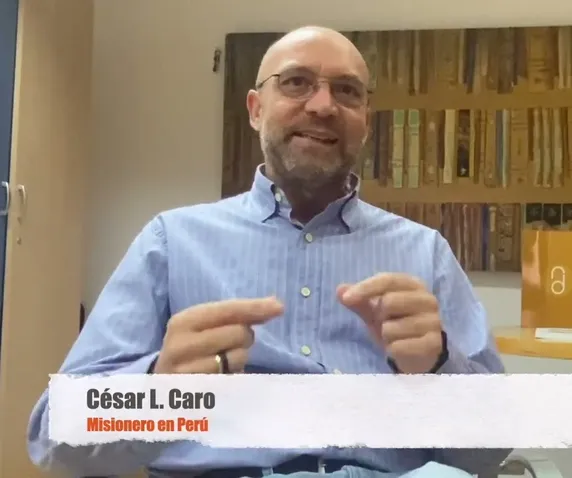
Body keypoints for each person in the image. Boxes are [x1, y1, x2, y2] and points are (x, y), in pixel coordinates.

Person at [26, 25, 510, 478]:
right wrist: (157, 389)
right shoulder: (172, 241)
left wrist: (439, 366)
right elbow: (53, 435)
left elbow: (491, 451)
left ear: (365, 121)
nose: (323, 105)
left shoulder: (425, 252)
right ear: (256, 109)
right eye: (297, 82)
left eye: (347, 90)